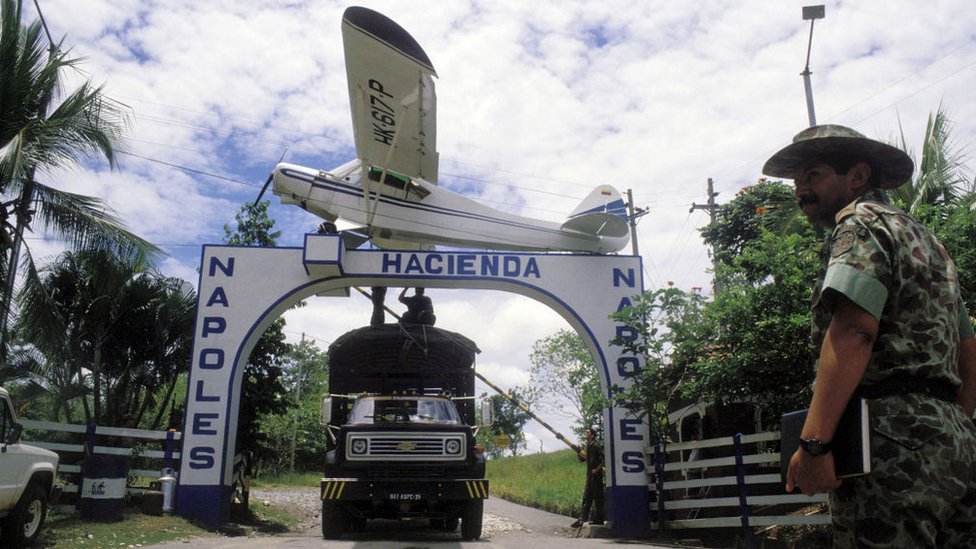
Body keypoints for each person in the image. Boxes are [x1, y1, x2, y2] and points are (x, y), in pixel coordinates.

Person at [766, 124, 976, 548]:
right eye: (797, 180)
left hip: (886, 444)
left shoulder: (859, 226)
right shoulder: (932, 245)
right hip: (956, 446)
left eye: (814, 175)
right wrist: (953, 432)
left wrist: (814, 445)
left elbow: (854, 332)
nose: (800, 190)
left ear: (858, 176)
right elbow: (969, 354)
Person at [571, 427, 605, 528]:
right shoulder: (588, 446)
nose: (585, 433)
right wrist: (578, 451)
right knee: (586, 498)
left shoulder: (596, 445)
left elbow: (604, 459)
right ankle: (582, 519)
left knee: (597, 498)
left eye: (587, 432)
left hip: (596, 476)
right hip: (589, 476)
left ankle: (599, 519)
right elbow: (582, 459)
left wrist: (597, 469)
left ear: (592, 434)